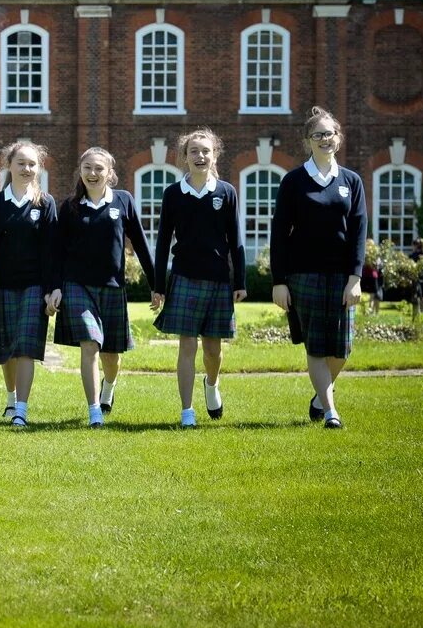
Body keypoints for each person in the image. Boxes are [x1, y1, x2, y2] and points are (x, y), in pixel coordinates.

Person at [270, 106, 367, 429]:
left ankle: (318, 396)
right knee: (315, 345)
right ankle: (330, 410)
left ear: (338, 139)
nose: (325, 139)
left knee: (342, 348)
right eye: (318, 135)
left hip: (342, 277)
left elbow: (358, 230)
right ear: (307, 141)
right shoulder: (294, 181)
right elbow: (280, 233)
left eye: (330, 134)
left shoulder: (351, 181)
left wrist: (355, 277)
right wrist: (279, 280)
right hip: (303, 275)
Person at [48, 147, 156, 429]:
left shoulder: (123, 201)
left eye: (99, 168)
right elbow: (56, 252)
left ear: (110, 173)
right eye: (87, 168)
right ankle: (94, 410)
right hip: (77, 287)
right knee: (90, 345)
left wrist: (156, 284)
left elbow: (141, 244)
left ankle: (109, 385)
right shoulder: (69, 207)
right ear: (80, 172)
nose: (92, 174)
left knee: (111, 356)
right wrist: (55, 287)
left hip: (112, 287)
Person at [152, 129, 246, 428]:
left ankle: (212, 383)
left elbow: (236, 240)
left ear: (214, 155)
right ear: (185, 157)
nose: (200, 156)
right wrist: (157, 286)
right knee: (187, 346)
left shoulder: (226, 192)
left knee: (213, 351)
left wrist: (240, 281)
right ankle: (187, 411)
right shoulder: (173, 194)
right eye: (194, 151)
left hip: (218, 279)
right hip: (184, 277)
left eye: (206, 151)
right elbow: (163, 241)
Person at [0, 140, 58, 428]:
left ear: (38, 168)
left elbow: (52, 250)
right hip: (4, 285)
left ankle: (21, 410)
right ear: (10, 166)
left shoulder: (46, 203)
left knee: (25, 348)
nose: (27, 169)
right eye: (21, 163)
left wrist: (53, 288)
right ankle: (10, 396)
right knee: (7, 351)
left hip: (35, 287)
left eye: (32, 164)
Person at [361, 239, 384, 315]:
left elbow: (378, 265)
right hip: (366, 275)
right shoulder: (364, 252)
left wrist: (372, 263)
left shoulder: (375, 253)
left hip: (373, 276)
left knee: (373, 294)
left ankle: (372, 311)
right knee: (367, 295)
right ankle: (368, 311)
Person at [409, 238, 423, 317]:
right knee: (422, 295)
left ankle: (421, 310)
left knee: (419, 294)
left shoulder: (415, 255)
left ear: (415, 245)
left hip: (418, 277)